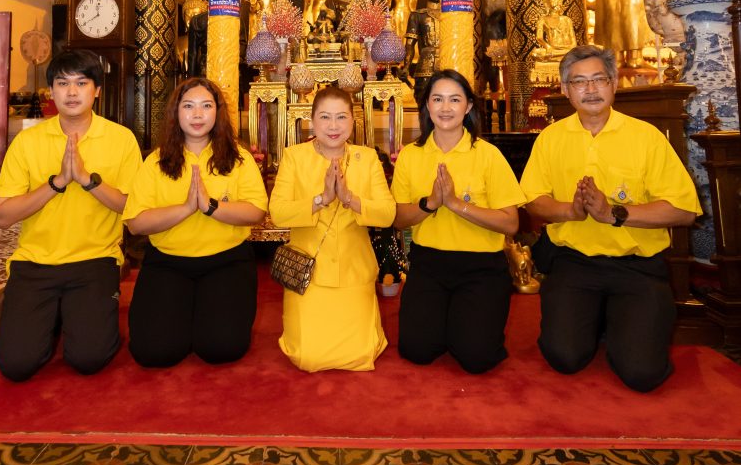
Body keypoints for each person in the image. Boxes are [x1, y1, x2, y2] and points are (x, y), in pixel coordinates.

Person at [520, 43, 701, 392]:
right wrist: (571, 211)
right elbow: (533, 202)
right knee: (564, 357)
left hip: (636, 266)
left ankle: (618, 320)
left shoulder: (646, 137)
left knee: (642, 374)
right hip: (574, 261)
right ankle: (598, 319)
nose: (590, 89)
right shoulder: (550, 138)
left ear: (614, 84)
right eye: (579, 81)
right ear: (565, 89)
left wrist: (614, 213)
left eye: (599, 79)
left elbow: (683, 210)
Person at [0, 49, 142, 381]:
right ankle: (55, 317)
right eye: (62, 83)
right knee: (16, 365)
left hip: (95, 260)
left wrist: (87, 181)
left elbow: (133, 210)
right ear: (51, 91)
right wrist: (57, 183)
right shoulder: (27, 142)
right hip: (34, 262)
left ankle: (73, 315)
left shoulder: (121, 139)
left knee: (89, 358)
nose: (72, 92)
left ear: (97, 90)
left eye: (81, 83)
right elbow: (2, 216)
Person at [123, 77, 267, 367]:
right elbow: (136, 223)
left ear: (218, 112)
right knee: (154, 353)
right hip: (167, 261)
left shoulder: (238, 158)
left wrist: (211, 207)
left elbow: (256, 212)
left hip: (227, 260)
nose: (198, 114)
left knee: (221, 349)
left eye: (206, 106)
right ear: (176, 112)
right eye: (188, 106)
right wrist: (187, 208)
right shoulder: (156, 161)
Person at [392, 69, 525, 374]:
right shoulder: (411, 155)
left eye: (455, 100)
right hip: (429, 265)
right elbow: (399, 220)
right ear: (427, 105)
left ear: (468, 107)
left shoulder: (488, 155)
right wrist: (430, 204)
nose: (445, 108)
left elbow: (510, 223)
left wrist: (455, 204)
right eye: (437, 99)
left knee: (477, 358)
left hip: (481, 267)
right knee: (417, 350)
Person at [269, 86, 396, 371]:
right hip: (308, 272)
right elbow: (277, 212)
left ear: (353, 119)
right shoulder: (294, 157)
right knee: (308, 357)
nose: (334, 126)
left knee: (361, 353)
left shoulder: (367, 158)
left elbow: (387, 214)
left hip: (354, 269)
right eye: (325, 117)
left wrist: (350, 199)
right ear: (312, 120)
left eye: (341, 117)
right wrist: (321, 200)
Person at [404, 0, 441, 105]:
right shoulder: (417, 15)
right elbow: (409, 45)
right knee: (424, 101)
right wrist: (406, 67)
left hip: (448, 62)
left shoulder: (451, 15)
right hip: (426, 65)